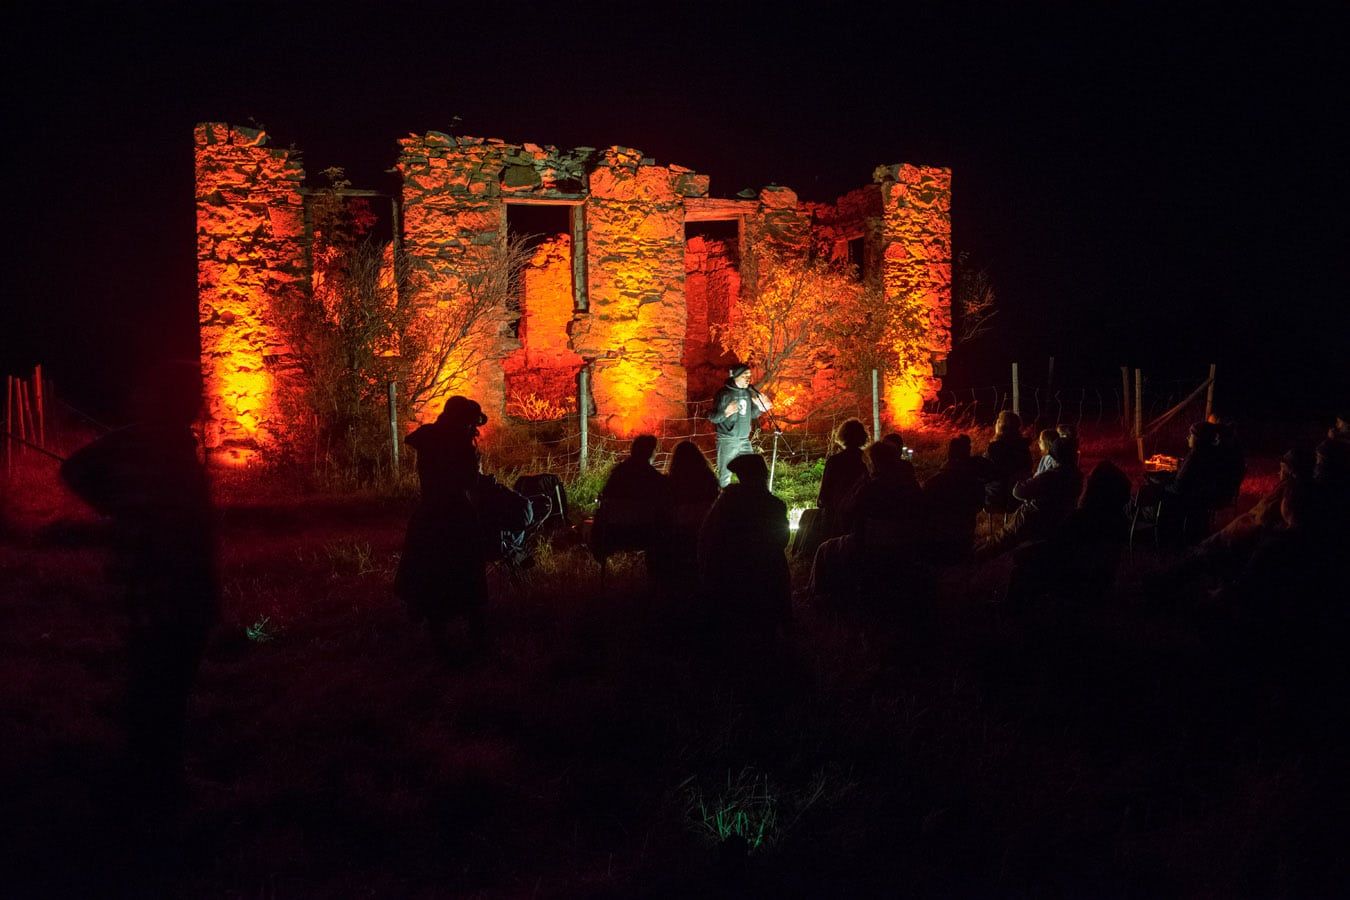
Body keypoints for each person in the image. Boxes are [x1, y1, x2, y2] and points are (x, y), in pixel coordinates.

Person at [59, 359, 217, 791]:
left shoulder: (166, 445)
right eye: (191, 392)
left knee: (157, 682)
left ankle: (152, 770)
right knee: (159, 686)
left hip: (159, 589)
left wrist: (117, 507)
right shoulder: (147, 444)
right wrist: (118, 508)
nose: (199, 400)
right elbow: (74, 470)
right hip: (161, 591)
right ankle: (155, 777)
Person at [395, 396, 490, 658]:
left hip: (428, 514)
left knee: (432, 573)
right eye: (470, 423)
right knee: (466, 572)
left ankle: (439, 638)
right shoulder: (459, 445)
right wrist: (475, 462)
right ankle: (477, 640)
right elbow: (469, 482)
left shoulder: (430, 438)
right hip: (456, 516)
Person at [697, 453, 790, 636]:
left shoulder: (727, 502)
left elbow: (707, 535)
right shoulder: (775, 505)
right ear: (763, 474)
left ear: (741, 476)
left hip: (727, 575)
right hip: (764, 576)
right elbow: (782, 540)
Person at [591, 434, 671, 576]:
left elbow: (605, 502)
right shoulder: (655, 480)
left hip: (614, 533)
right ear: (651, 452)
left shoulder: (617, 474)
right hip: (645, 534)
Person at [797, 418, 869, 559]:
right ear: (863, 437)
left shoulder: (835, 461)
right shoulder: (867, 461)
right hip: (860, 514)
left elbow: (824, 495)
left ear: (842, 436)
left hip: (836, 515)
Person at [658, 440, 720, 591]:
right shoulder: (709, 479)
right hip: (704, 528)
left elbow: (665, 507)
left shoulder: (670, 481)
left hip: (679, 529)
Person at [922, 434, 986, 564]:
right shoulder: (975, 484)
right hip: (964, 536)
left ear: (949, 454)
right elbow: (979, 506)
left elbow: (924, 510)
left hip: (938, 538)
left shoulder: (932, 483)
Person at [709, 364, 772, 487]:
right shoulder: (724, 394)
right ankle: (723, 501)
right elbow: (713, 418)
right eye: (744, 375)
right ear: (735, 376)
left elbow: (752, 414)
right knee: (725, 475)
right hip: (727, 440)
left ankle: (749, 499)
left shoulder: (748, 393)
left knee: (751, 472)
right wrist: (726, 412)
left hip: (744, 440)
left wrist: (761, 408)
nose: (748, 378)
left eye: (749, 375)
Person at [982, 410, 1033, 512]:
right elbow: (1028, 469)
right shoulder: (1023, 447)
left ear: (1001, 426)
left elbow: (986, 473)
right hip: (1019, 498)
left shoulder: (994, 449)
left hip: (995, 499)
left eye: (998, 421)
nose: (995, 423)